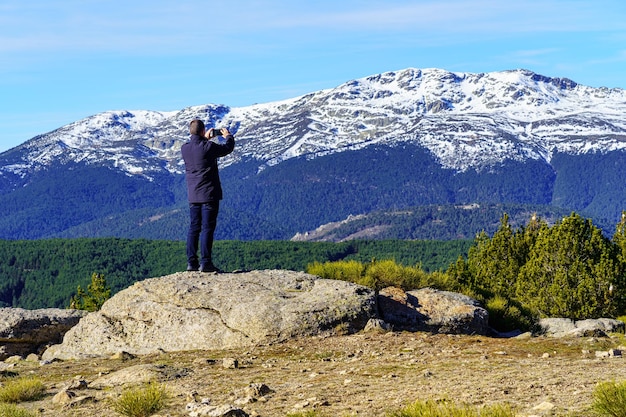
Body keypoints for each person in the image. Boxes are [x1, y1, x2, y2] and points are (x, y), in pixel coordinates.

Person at [181, 119, 235, 272]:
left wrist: (204, 138)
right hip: (209, 194)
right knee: (207, 228)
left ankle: (191, 263)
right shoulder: (208, 147)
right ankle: (206, 263)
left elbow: (198, 148)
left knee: (194, 228)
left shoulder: (184, 148)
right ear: (202, 130)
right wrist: (228, 136)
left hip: (193, 195)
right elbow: (227, 149)